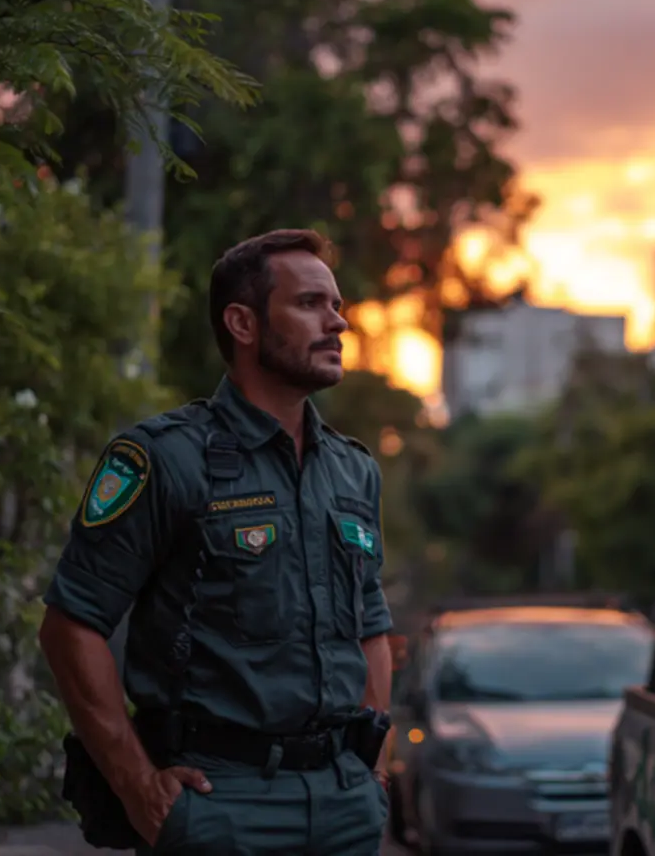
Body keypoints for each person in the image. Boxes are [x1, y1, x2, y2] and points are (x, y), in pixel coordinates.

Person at [39, 229, 393, 855]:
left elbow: (371, 628)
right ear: (243, 323)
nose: (337, 321)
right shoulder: (165, 458)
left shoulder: (353, 470)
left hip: (343, 806)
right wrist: (138, 787)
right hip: (219, 801)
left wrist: (369, 775)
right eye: (310, 303)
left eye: (336, 305)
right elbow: (71, 626)